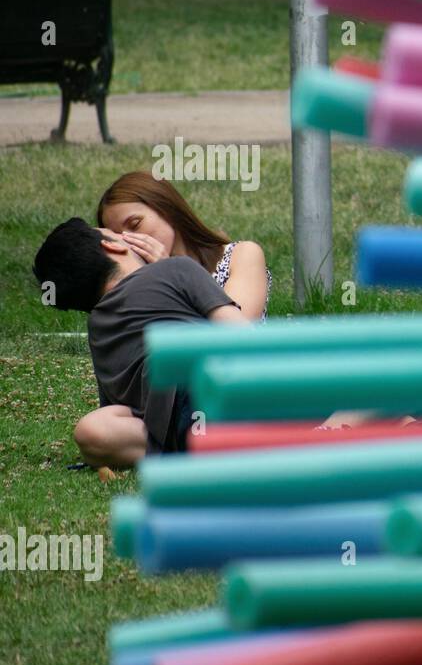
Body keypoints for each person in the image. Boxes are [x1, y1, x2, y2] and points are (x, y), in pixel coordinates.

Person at [32, 218, 245, 469]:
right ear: (114, 247)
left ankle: (197, 451)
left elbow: (117, 407)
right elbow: (238, 332)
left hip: (180, 422)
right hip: (216, 383)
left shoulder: (98, 330)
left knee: (92, 429)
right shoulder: (175, 268)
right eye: (117, 233)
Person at [96, 171, 270, 321]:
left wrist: (171, 275)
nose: (131, 240)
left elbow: (234, 337)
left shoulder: (241, 255)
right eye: (120, 238)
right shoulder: (135, 286)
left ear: (166, 207)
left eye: (135, 224)